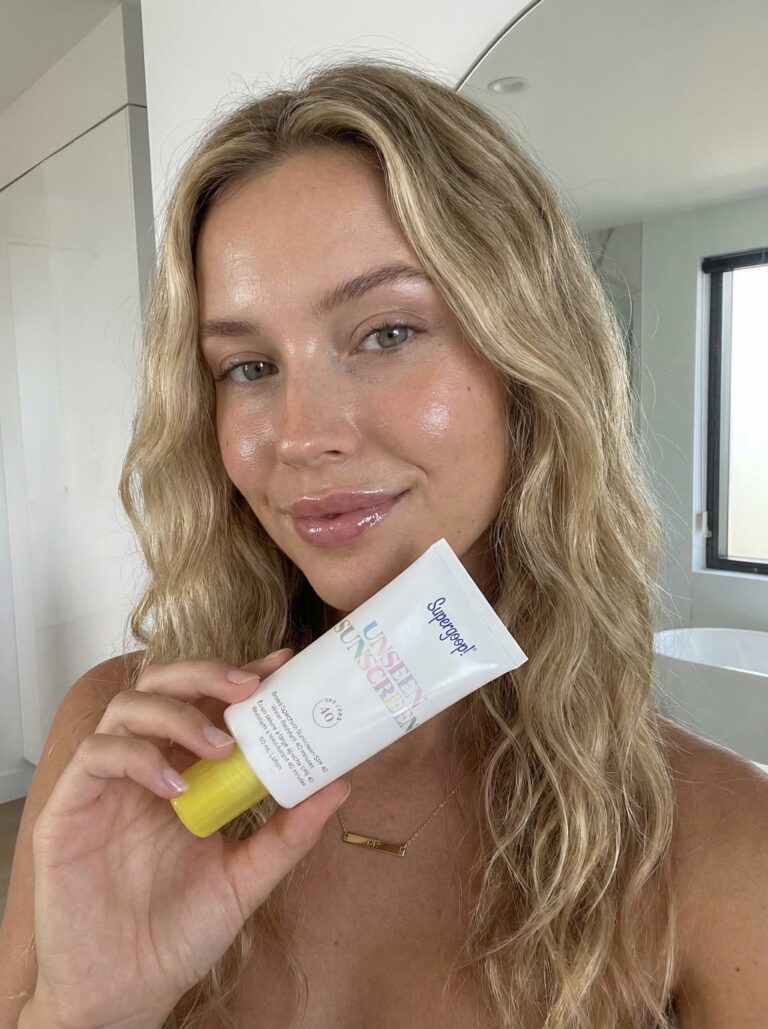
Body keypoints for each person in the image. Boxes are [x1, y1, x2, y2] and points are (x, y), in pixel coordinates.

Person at [1, 57, 767, 1029]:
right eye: (247, 364)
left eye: (387, 333)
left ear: (526, 360)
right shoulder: (121, 754)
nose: (298, 433)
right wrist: (83, 1010)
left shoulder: (718, 846)